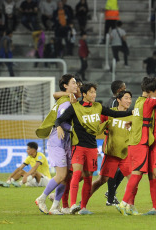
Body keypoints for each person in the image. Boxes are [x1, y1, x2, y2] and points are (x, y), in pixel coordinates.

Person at [55, 83, 132, 214]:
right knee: (77, 173)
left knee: (88, 177)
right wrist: (60, 127)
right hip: (78, 145)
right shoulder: (75, 108)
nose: (94, 95)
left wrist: (133, 112)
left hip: (92, 147)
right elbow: (60, 120)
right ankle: (72, 205)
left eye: (95, 92)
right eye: (91, 92)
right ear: (84, 94)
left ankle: (83, 207)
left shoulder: (98, 107)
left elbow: (115, 113)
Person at [115, 77, 156, 216]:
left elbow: (139, 117)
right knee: (138, 174)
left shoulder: (138, 102)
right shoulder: (148, 102)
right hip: (142, 142)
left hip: (143, 142)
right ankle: (125, 203)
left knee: (149, 174)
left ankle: (134, 205)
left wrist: (131, 122)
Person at [35, 74, 78, 215]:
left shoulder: (68, 99)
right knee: (61, 175)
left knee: (66, 176)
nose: (76, 85)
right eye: (73, 82)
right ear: (65, 86)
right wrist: (78, 129)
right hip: (57, 141)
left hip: (65, 141)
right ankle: (41, 198)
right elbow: (62, 121)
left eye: (76, 82)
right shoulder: (65, 102)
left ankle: (55, 206)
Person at [89, 91, 133, 208]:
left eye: (130, 98)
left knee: (134, 180)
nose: (129, 101)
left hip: (125, 154)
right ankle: (82, 203)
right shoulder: (109, 113)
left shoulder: (133, 115)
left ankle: (127, 205)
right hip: (111, 153)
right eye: (126, 98)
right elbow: (97, 127)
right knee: (101, 180)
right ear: (118, 99)